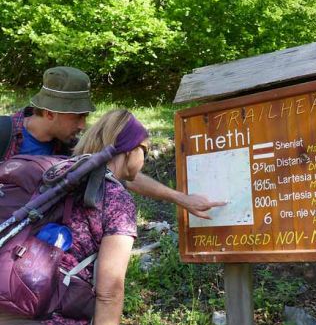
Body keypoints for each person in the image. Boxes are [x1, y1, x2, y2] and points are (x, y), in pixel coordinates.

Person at [0, 109, 150, 325]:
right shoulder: (114, 197)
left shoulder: (55, 176)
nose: (145, 159)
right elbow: (109, 291)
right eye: (145, 150)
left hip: (6, 304)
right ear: (130, 149)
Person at [1, 66, 225, 218]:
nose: (82, 125)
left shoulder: (70, 150)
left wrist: (181, 199)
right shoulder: (4, 133)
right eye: (77, 116)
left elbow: (118, 175)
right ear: (50, 113)